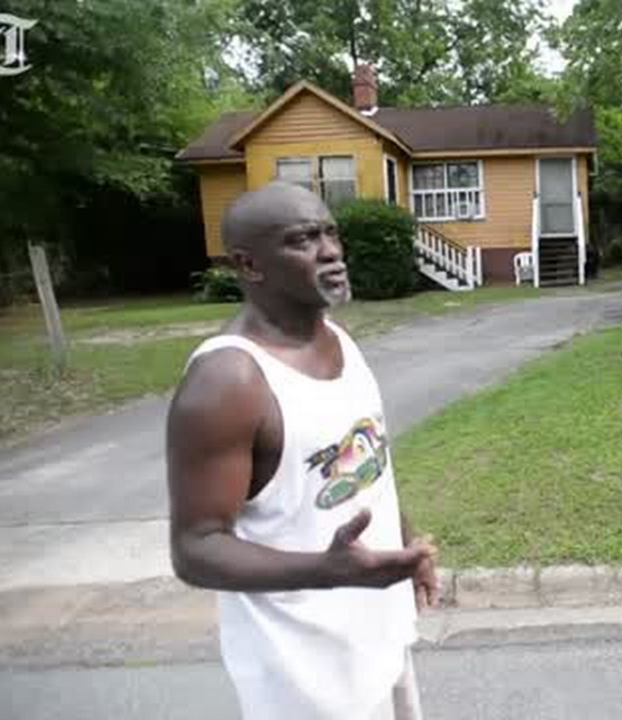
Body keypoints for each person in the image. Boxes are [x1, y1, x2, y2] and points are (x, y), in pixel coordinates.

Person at [165, 181, 439, 719]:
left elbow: (369, 466)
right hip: (304, 676)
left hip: (377, 639)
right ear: (249, 265)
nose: (331, 250)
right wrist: (330, 570)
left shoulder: (339, 340)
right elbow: (195, 549)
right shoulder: (228, 381)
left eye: (331, 232)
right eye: (303, 239)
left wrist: (406, 547)